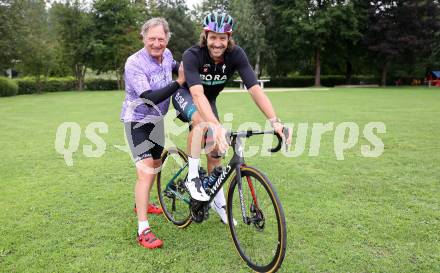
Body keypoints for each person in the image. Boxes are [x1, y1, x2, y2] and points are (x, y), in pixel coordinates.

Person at [172, 11, 292, 224]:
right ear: (205, 35)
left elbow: (254, 88)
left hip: (209, 102)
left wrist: (275, 121)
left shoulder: (236, 55)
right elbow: (197, 94)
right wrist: (215, 126)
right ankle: (192, 178)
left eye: (222, 38)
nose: (217, 43)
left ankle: (217, 201)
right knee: (200, 122)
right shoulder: (193, 55)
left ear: (229, 37)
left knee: (216, 153)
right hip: (187, 95)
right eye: (213, 37)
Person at [120, 17, 184, 249]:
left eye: (161, 38)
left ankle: (144, 204)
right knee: (146, 171)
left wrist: (191, 66)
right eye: (152, 39)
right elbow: (148, 97)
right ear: (143, 38)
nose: (157, 43)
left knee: (156, 165)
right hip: (136, 120)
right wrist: (180, 82)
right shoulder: (134, 62)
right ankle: (143, 228)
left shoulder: (166, 55)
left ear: (167, 38)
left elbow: (175, 66)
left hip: (157, 120)